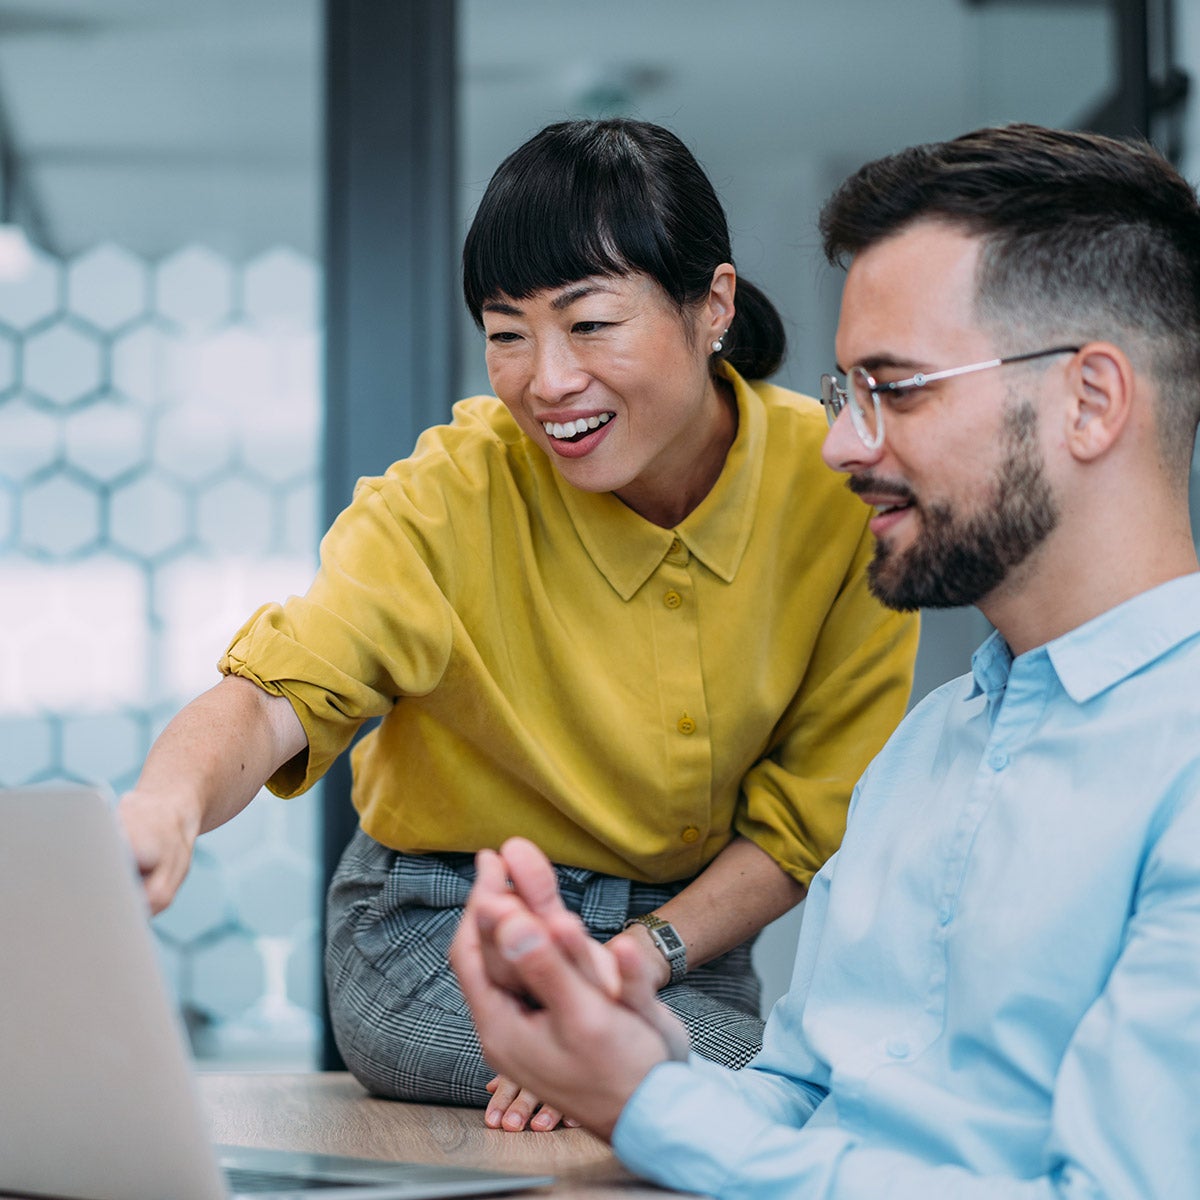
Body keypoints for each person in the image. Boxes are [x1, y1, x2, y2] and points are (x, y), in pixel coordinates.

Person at [118, 118, 917, 1130]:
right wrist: (167, 800)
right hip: (439, 936)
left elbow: (807, 823)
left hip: (685, 951)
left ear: (711, 304)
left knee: (763, 1084)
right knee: (755, 1091)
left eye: (590, 325)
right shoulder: (454, 490)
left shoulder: (839, 492)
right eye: (507, 333)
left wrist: (624, 976)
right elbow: (283, 691)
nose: (547, 381)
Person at [451, 122, 1200, 1194]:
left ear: (1089, 400)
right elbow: (808, 1096)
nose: (842, 442)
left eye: (896, 388)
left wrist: (652, 1108)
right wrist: (623, 1051)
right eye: (847, 392)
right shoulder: (927, 750)